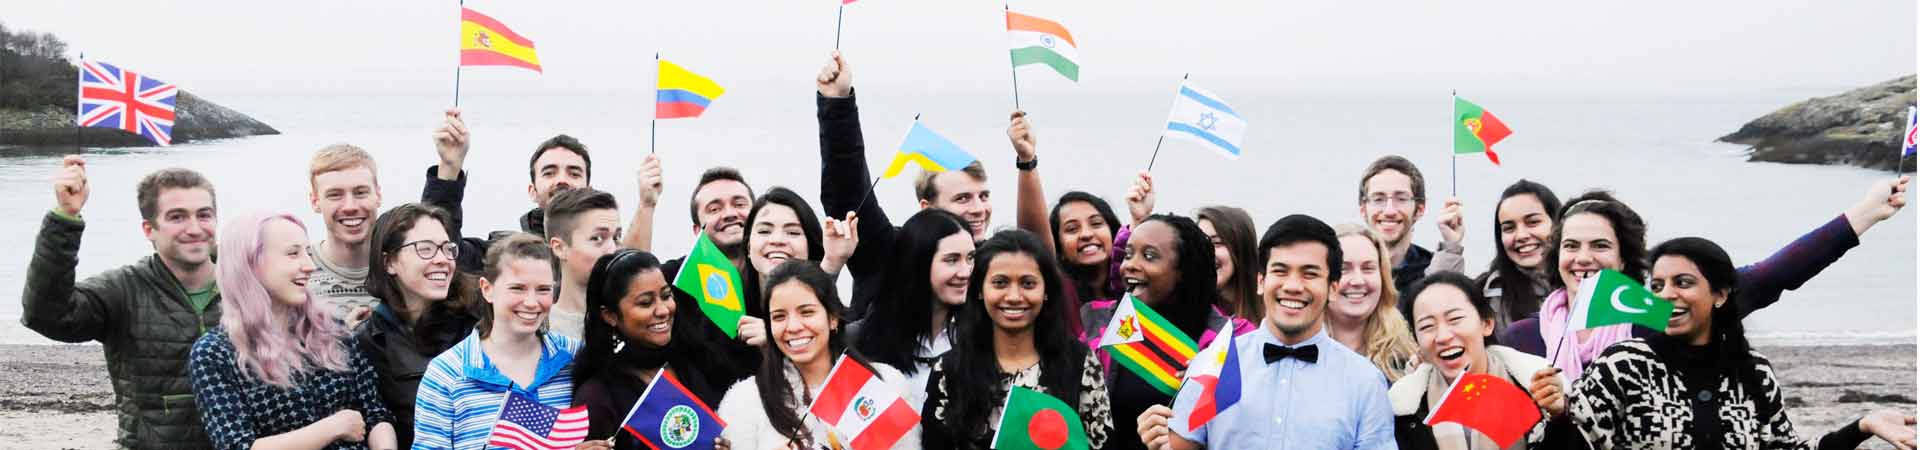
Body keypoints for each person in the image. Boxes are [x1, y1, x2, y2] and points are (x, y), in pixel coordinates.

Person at [1501, 177, 1912, 379]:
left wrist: (1864, 214)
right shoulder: (1522, 339)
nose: (1583, 258)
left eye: (1600, 246)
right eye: (1571, 246)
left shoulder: (1661, 319)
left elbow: (1768, 278)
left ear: (1626, 258)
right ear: (1557, 255)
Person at [1568, 237, 1916, 450]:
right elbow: (1572, 443)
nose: (1667, 295)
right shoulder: (1623, 364)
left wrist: (1862, 427)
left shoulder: (1754, 371)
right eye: (1657, 286)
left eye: (1683, 282)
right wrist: (1557, 412)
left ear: (1719, 294)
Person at [1142, 214, 1395, 450]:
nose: (1293, 285)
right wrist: (1158, 437)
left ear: (1333, 288)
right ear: (1261, 281)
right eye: (1280, 271)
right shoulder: (1212, 364)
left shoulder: (1365, 382)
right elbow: (1179, 445)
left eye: (1310, 274)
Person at [22, 160, 223, 449]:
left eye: (204, 215)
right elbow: (47, 315)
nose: (194, 228)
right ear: (149, 229)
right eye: (177, 217)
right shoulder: (123, 289)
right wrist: (65, 217)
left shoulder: (248, 285)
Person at [188, 212, 396, 450]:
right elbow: (237, 446)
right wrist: (331, 428)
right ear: (250, 263)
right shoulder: (214, 353)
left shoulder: (333, 329)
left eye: (308, 252)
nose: (309, 265)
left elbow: (377, 414)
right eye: (293, 253)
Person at [815, 51, 995, 319]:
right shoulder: (889, 253)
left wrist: (1027, 162)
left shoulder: (998, 266)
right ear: (927, 207)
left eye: (983, 196)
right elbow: (847, 189)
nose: (979, 208)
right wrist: (837, 103)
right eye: (963, 198)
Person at [922, 230, 1112, 449]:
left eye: (1028, 284)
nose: (1013, 297)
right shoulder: (949, 369)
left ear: (1046, 291)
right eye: (1000, 283)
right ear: (980, 290)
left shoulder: (1078, 363)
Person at [718, 261, 919, 449]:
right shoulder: (745, 400)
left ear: (832, 318)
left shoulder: (883, 384)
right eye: (779, 316)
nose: (794, 327)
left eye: (806, 312)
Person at [1082, 214, 1238, 450]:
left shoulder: (1230, 340)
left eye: (1149, 256)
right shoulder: (1101, 327)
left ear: (1183, 270)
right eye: (1128, 254)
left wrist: (1210, 380)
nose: (1130, 265)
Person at [413, 233, 579, 450]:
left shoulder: (575, 357)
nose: (531, 302)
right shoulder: (447, 374)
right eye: (517, 288)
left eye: (543, 289)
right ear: (487, 289)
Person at [424, 117, 652, 272]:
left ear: (588, 189)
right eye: (549, 172)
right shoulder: (502, 254)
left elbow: (634, 274)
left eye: (574, 172)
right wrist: (449, 167)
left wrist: (647, 205)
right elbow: (442, 251)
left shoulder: (606, 255)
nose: (562, 179)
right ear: (532, 191)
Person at [574, 249, 739, 449]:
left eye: (666, 296)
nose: (663, 310)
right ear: (610, 315)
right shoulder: (597, 397)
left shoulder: (700, 360)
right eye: (645, 303)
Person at [1391, 272, 1572, 450]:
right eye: (1427, 326)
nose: (1443, 336)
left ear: (1486, 323)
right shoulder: (1403, 409)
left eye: (1455, 319)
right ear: (1416, 339)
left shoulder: (1535, 386)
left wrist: (1558, 415)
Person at [353, 203, 481, 448]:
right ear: (389, 262)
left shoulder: (478, 322)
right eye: (426, 249)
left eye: (447, 249)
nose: (442, 260)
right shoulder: (367, 342)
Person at [846, 209, 973, 406]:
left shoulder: (982, 333)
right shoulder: (864, 339)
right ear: (918, 263)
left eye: (970, 258)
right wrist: (832, 263)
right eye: (952, 260)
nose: (965, 272)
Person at [1357, 155, 1465, 298]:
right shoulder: (1342, 269)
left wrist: (1451, 246)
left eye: (1401, 198)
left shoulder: (1434, 267)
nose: (1389, 211)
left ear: (1420, 209)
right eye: (1378, 199)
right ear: (1363, 209)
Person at [306, 144, 385, 323]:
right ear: (315, 202)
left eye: (360, 192)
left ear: (378, 195)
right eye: (335, 195)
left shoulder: (402, 267)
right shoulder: (297, 272)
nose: (350, 206)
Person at [1329, 224, 1418, 382]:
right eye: (1343, 269)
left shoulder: (1409, 357)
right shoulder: (1298, 350)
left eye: (1368, 268)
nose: (1357, 281)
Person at [1473, 180, 1562, 334]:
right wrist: (1451, 246)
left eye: (1533, 222)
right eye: (1509, 228)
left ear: (1558, 224)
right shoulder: (1485, 293)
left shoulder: (1586, 285)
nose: (1521, 235)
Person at [542, 187, 624, 340]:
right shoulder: (538, 330)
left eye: (616, 237)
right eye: (597, 238)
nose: (612, 249)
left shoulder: (634, 321)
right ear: (560, 248)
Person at [1196, 205, 1264, 324]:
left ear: (1242, 250)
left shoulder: (1271, 316)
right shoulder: (1185, 312)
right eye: (1198, 243)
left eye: (1217, 243)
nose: (1204, 252)